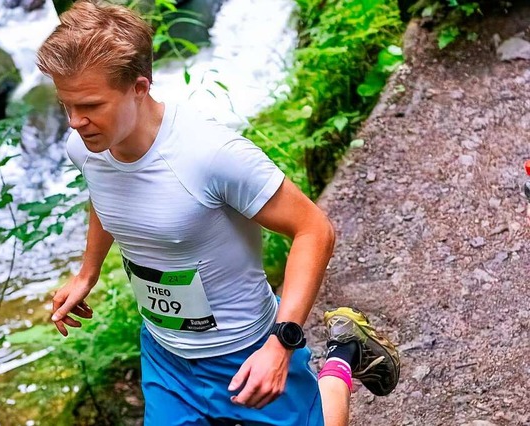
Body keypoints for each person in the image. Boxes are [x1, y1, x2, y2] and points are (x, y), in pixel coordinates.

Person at [36, 1, 400, 425]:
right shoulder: (86, 146)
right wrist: (88, 272)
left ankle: (343, 354)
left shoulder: (211, 155)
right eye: (67, 106)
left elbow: (314, 230)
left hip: (247, 349)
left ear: (139, 87)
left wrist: (281, 345)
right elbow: (106, 195)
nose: (75, 122)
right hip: (166, 357)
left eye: (91, 106)